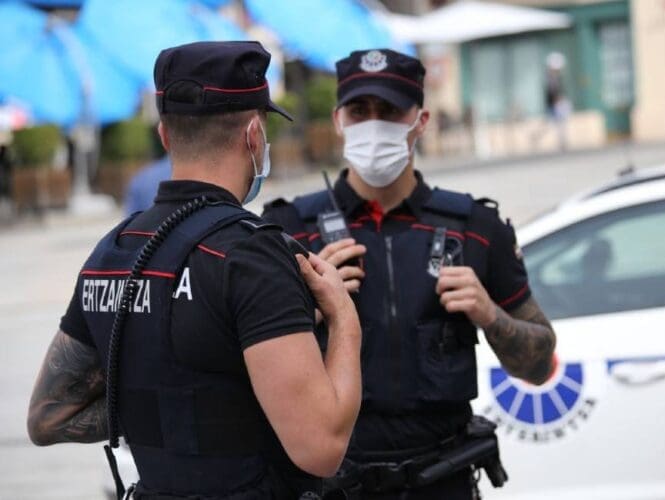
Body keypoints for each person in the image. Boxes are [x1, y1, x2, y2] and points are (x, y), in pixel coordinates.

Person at [27, 41, 362, 500]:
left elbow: (49, 416)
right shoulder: (251, 255)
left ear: (165, 136)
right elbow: (320, 448)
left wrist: (174, 404)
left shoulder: (114, 251)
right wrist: (344, 321)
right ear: (253, 135)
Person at [262, 48, 556, 499]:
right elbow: (250, 376)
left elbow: (539, 365)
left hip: (443, 479)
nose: (374, 124)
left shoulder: (475, 227)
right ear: (339, 120)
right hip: (336, 486)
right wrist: (310, 309)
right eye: (360, 110)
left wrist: (488, 313)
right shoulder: (290, 230)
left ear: (421, 120)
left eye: (391, 110)